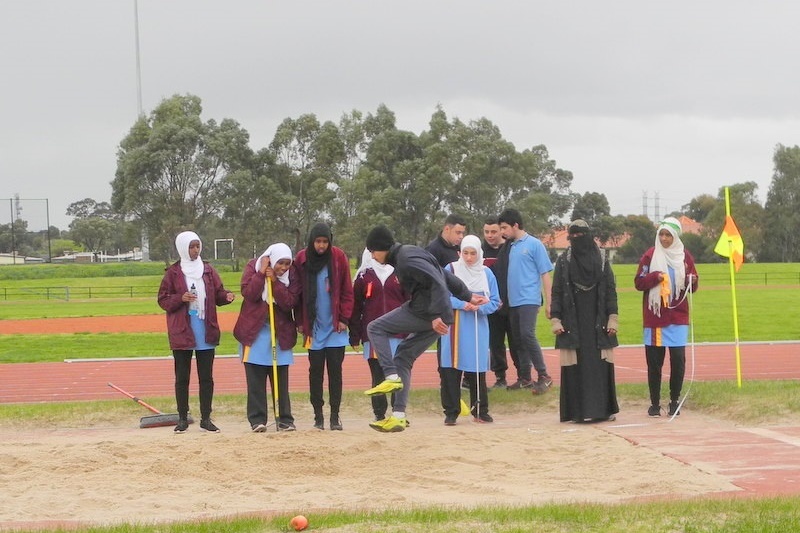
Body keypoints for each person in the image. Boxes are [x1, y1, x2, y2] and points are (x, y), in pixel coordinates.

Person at [363, 225, 487, 433]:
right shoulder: (411, 252)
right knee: (403, 356)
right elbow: (442, 274)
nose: (373, 257)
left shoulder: (406, 260)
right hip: (434, 314)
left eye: (373, 252)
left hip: (428, 313)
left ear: (382, 248)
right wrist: (467, 295)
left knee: (375, 327)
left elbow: (437, 281)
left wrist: (436, 315)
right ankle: (398, 417)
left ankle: (391, 377)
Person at [157, 230, 236, 433]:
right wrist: (179, 298)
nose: (195, 250)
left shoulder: (208, 270)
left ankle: (206, 418)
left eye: (197, 246)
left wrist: (226, 296)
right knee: (182, 377)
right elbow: (163, 300)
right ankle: (182, 418)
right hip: (182, 331)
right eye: (191, 246)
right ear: (183, 248)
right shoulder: (173, 273)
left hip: (206, 329)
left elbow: (218, 293)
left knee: (206, 377)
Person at [550, 220, 620, 423]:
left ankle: (603, 410)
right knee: (576, 365)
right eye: (573, 236)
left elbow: (610, 291)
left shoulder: (603, 259)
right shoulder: (564, 261)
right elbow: (557, 291)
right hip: (573, 322)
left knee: (599, 365)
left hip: (598, 320)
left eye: (581, 235)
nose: (577, 240)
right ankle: (577, 412)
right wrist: (556, 319)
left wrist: (613, 319)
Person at [634, 217, 699, 417]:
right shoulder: (650, 255)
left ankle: (674, 401)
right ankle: (654, 403)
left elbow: (693, 288)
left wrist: (692, 280)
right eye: (661, 234)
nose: (664, 238)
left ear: (676, 236)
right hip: (656, 317)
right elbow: (639, 282)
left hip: (678, 316)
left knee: (678, 360)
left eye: (668, 235)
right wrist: (656, 277)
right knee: (655, 362)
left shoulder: (684, 256)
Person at [233, 243, 300, 432]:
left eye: (287, 264)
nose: (284, 268)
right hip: (254, 331)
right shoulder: (252, 267)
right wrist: (262, 273)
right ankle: (257, 420)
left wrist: (275, 282)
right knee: (255, 379)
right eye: (281, 263)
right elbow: (249, 293)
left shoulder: (292, 275)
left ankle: (284, 419)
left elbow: (289, 303)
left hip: (280, 333)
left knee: (280, 380)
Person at [294, 222, 354, 431]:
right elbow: (298, 294)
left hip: (335, 328)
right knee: (315, 372)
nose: (321, 246)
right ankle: (318, 416)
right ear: (311, 242)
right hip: (314, 327)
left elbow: (347, 290)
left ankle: (335, 416)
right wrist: (300, 321)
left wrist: (344, 318)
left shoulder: (338, 258)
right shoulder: (302, 259)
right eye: (318, 242)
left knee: (335, 372)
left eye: (325, 242)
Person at [440, 235, 500, 424]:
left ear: (479, 253)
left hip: (477, 327)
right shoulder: (450, 270)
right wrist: (463, 303)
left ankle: (480, 410)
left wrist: (479, 307)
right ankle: (451, 412)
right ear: (460, 253)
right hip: (453, 328)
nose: (469, 258)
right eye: (465, 253)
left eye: (473, 253)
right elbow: (442, 297)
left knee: (476, 369)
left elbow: (496, 302)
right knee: (451, 369)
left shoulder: (486, 274)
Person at [497, 208, 554, 393]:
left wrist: (549, 302)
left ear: (515, 225)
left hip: (529, 299)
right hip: (512, 302)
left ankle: (544, 375)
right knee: (518, 339)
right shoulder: (510, 247)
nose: (502, 232)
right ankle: (525, 378)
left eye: (504, 228)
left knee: (527, 335)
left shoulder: (534, 244)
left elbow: (545, 274)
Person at [349, 248, 409, 423]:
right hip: (374, 334)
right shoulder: (363, 276)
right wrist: (354, 334)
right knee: (378, 375)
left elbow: (409, 301)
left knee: (399, 374)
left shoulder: (400, 273)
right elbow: (356, 307)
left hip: (399, 333)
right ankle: (379, 414)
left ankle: (398, 414)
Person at [425, 213, 470, 404]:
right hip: (443, 309)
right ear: (447, 229)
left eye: (463, 233)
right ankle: (447, 390)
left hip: (465, 308)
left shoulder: (461, 250)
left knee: (465, 348)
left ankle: (465, 384)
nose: (460, 237)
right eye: (458, 232)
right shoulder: (432, 251)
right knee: (445, 352)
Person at [482, 215, 518, 389]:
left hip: (511, 303)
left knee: (516, 340)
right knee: (495, 342)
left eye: (494, 231)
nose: (490, 235)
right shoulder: (479, 251)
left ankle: (523, 376)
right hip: (491, 306)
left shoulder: (511, 249)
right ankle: (500, 377)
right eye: (486, 232)